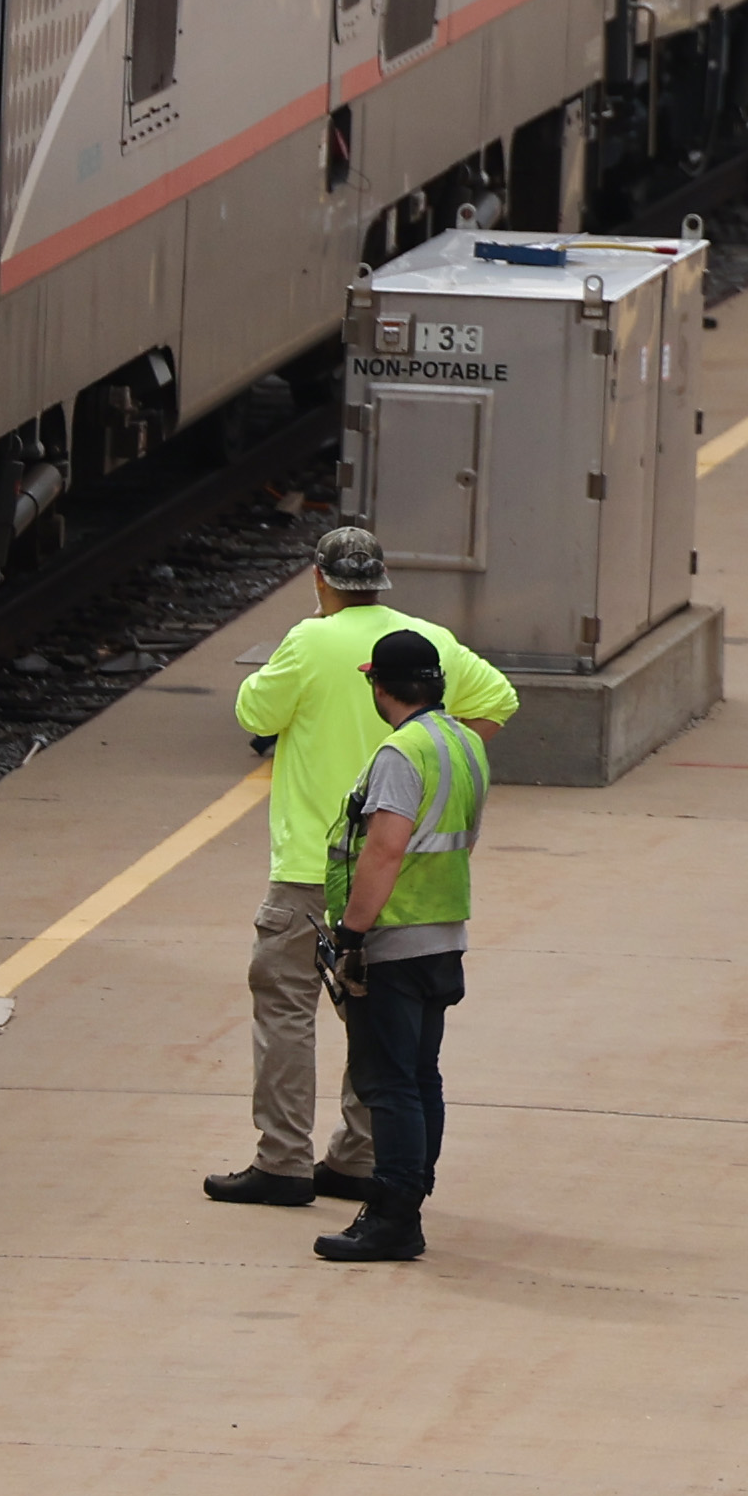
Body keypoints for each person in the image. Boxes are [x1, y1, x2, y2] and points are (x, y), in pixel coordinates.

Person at [208, 523, 514, 1211]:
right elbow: (497, 701)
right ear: (380, 581)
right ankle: (355, 1157)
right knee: (371, 1013)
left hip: (309, 865)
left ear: (320, 581)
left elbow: (251, 711)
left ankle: (282, 1161)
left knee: (286, 1008)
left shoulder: (309, 640)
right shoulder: (425, 639)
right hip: (395, 869)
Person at [310, 629, 484, 1266]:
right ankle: (409, 1195)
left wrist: (351, 934)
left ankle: (394, 1215)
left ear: (380, 687)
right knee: (419, 1074)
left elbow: (383, 850)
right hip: (444, 935)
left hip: (396, 939)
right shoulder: (464, 743)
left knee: (387, 1083)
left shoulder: (400, 754)